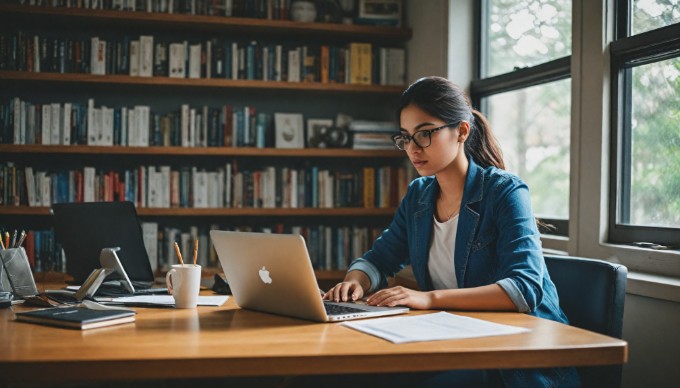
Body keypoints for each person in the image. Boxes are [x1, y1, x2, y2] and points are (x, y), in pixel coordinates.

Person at [323, 76, 580, 387]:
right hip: (454, 341)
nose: (413, 149)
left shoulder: (505, 192)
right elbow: (380, 258)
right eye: (405, 137)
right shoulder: (419, 195)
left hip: (518, 356)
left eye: (425, 134)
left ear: (461, 131)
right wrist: (354, 282)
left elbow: (523, 289)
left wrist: (428, 299)